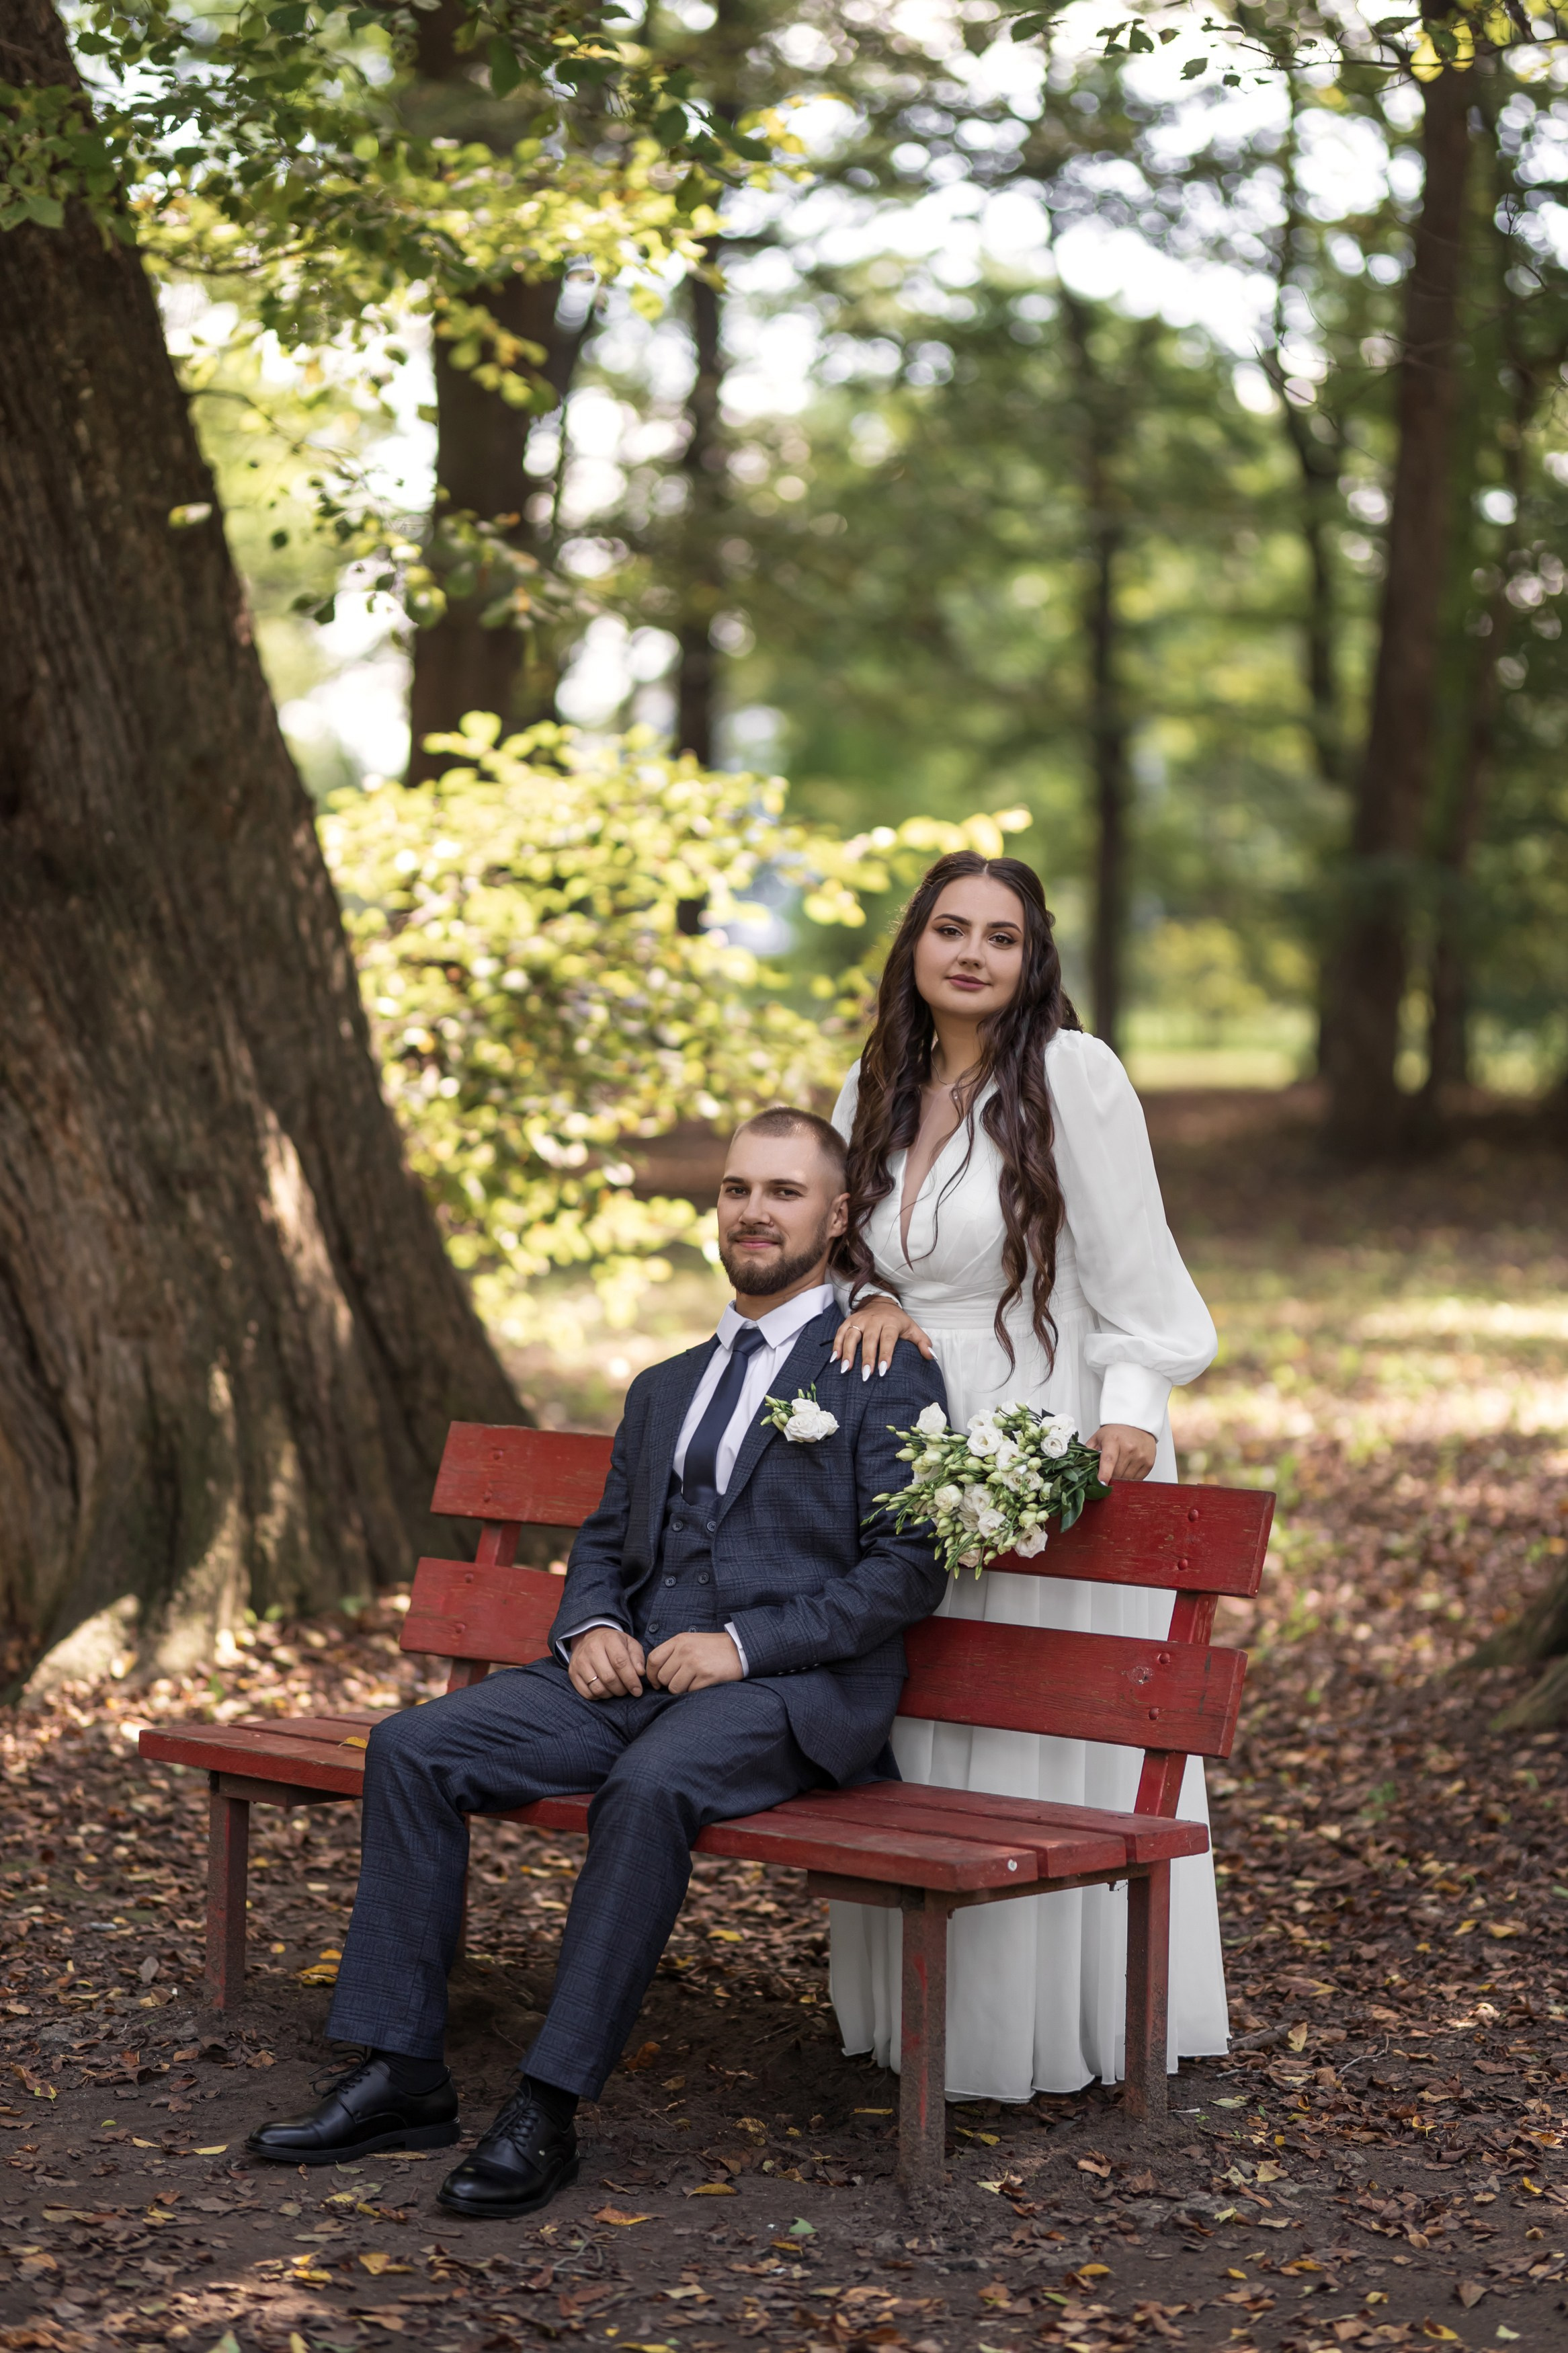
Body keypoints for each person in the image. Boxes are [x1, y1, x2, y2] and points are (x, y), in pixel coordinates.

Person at [245, 1107, 948, 2215]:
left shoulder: (879, 1366)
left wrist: (743, 1645)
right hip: (635, 1677)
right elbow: (608, 1542)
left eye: (784, 1192)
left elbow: (910, 1569)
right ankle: (403, 2073)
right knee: (415, 1747)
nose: (754, 1212)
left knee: (649, 1787)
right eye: (736, 1190)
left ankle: (546, 2104)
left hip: (794, 1689)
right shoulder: (665, 1384)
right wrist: (592, 1629)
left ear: (838, 1212)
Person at [823, 850, 1224, 2102]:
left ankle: (1052, 2029)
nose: (972, 954)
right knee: (924, 1703)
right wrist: (875, 1295)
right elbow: (842, 1255)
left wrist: (1131, 1417)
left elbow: (1136, 1271)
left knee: (1040, 1718)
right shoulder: (872, 1083)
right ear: (915, 945)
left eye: (1000, 936)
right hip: (895, 1434)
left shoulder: (1069, 1075)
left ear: (1030, 956)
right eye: (950, 929)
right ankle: (930, 2022)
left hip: (1035, 1424)